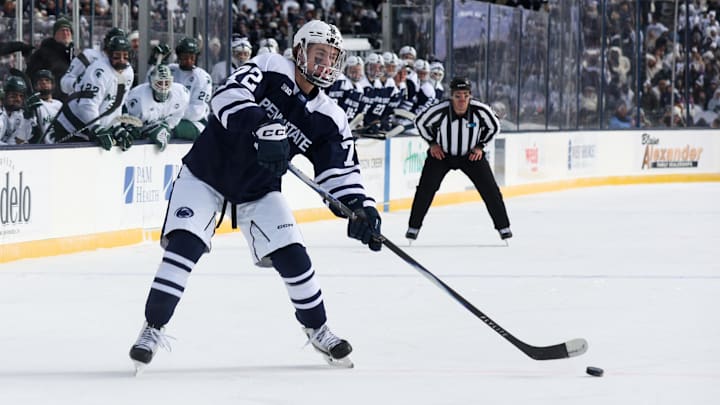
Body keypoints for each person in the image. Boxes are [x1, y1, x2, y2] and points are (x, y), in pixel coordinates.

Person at [128, 20, 382, 371]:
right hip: (207, 173)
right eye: (318, 53)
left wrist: (360, 208)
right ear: (299, 51)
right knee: (185, 246)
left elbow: (338, 172)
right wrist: (263, 125)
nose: (326, 63)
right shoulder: (270, 66)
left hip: (259, 189)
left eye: (332, 56)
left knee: (294, 257)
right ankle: (152, 328)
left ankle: (318, 328)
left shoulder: (329, 117)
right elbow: (226, 95)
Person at [406, 77, 511, 241]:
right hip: (441, 156)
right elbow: (420, 122)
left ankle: (503, 227)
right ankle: (413, 227)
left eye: (465, 95)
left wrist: (480, 146)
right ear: (451, 96)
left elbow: (494, 127)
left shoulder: (480, 110)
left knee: (490, 191)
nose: (462, 100)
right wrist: (432, 143)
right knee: (425, 190)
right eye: (457, 96)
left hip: (470, 156)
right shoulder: (440, 110)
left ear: (470, 96)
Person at [47, 35, 135, 150]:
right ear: (109, 54)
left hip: (89, 129)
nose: (122, 60)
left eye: (125, 56)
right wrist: (97, 128)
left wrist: (115, 127)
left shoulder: (129, 72)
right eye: (117, 56)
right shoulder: (99, 71)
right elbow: (87, 105)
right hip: (71, 127)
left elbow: (117, 104)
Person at [124, 64, 190, 151]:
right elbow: (128, 123)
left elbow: (176, 117)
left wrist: (165, 126)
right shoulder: (138, 98)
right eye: (159, 83)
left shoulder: (181, 94)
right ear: (151, 82)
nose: (163, 87)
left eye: (166, 83)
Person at [60, 27, 126, 95]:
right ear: (106, 41)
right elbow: (64, 83)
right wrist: (79, 84)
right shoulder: (89, 56)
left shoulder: (126, 66)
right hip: (81, 102)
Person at [26, 17, 76, 102]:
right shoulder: (43, 54)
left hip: (69, 102)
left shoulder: (73, 57)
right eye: (62, 30)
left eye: (68, 30)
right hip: (49, 102)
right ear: (55, 35)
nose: (65, 33)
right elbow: (31, 76)